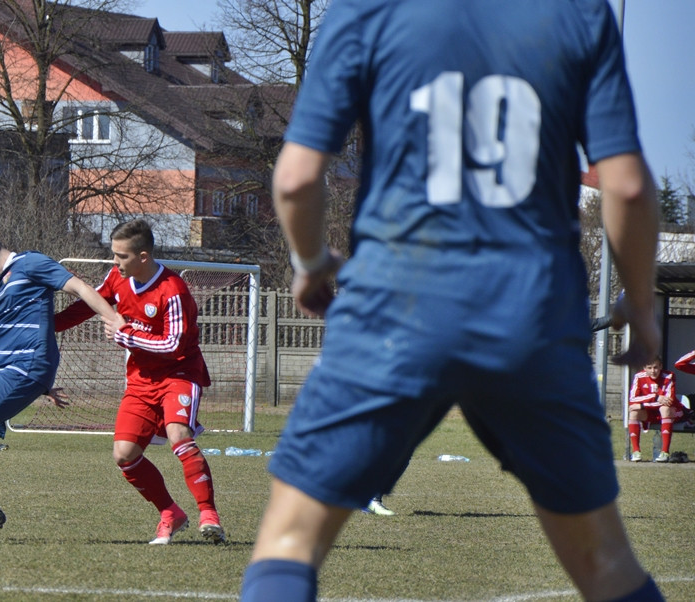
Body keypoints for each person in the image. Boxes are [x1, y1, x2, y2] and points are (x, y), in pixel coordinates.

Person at [239, 1, 665, 600]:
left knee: (289, 546)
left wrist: (309, 264)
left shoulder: (365, 9)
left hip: (395, 306)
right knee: (606, 566)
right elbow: (626, 185)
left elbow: (296, 178)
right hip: (532, 315)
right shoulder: (576, 11)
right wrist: (641, 303)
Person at [54, 219, 226, 544]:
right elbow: (88, 306)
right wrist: (51, 325)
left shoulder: (173, 290)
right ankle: (171, 513)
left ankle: (209, 515)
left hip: (179, 374)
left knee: (179, 435)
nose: (115, 263)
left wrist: (126, 335)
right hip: (141, 380)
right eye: (114, 255)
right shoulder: (117, 279)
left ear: (143, 256)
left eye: (121, 256)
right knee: (124, 454)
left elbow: (173, 345)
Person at [0, 225, 119, 543]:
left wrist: (113, 318)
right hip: (17, 372)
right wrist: (43, 384)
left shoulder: (30, 263)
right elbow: (28, 326)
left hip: (24, 369)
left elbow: (80, 287)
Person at [628, 357, 682, 463]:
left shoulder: (669, 376)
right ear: (644, 368)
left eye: (656, 367)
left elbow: (669, 400)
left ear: (661, 366)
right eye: (649, 368)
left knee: (665, 408)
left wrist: (642, 405)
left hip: (671, 413)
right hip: (650, 413)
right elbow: (632, 399)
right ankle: (636, 452)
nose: (653, 371)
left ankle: (665, 452)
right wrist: (656, 397)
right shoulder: (638, 376)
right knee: (634, 412)